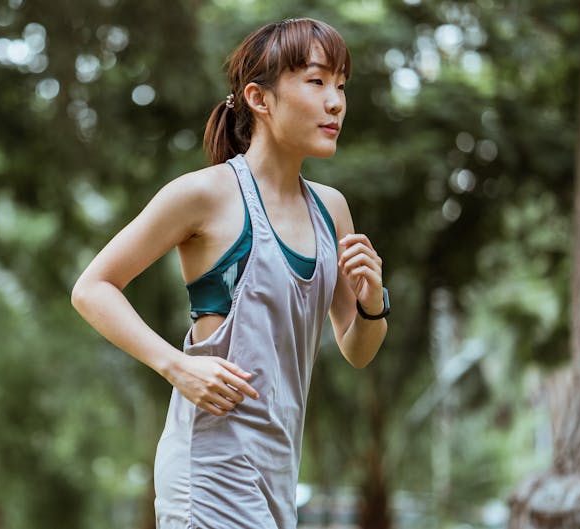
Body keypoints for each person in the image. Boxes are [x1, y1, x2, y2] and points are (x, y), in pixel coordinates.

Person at [71, 17, 388, 529]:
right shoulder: (205, 195)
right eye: (316, 81)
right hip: (209, 464)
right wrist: (177, 366)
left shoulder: (333, 210)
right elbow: (92, 288)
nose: (335, 102)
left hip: (278, 471)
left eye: (341, 86)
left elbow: (358, 349)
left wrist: (373, 298)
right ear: (260, 100)